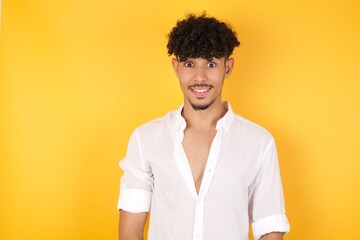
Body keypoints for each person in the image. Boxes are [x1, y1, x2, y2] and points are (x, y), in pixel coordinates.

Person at [117, 13, 290, 240]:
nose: (200, 77)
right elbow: (131, 230)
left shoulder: (259, 142)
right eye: (189, 64)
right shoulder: (145, 139)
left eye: (211, 63)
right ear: (176, 67)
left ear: (227, 68)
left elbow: (270, 227)